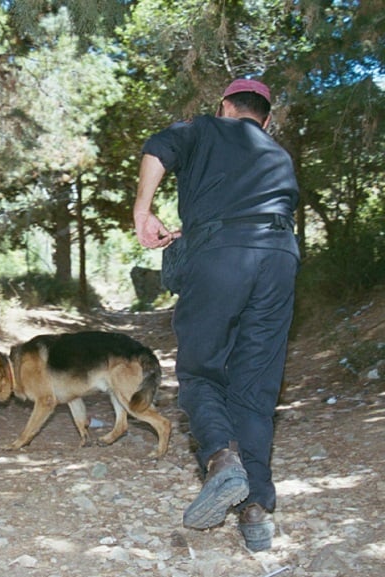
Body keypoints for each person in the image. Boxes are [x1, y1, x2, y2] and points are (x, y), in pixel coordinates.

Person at [133, 78, 300, 551]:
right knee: (256, 383)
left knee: (201, 369)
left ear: (225, 107)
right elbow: (254, 212)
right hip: (280, 258)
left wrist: (142, 211)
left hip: (222, 256)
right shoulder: (278, 155)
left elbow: (157, 148)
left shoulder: (202, 128)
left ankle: (222, 459)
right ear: (266, 120)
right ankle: (255, 513)